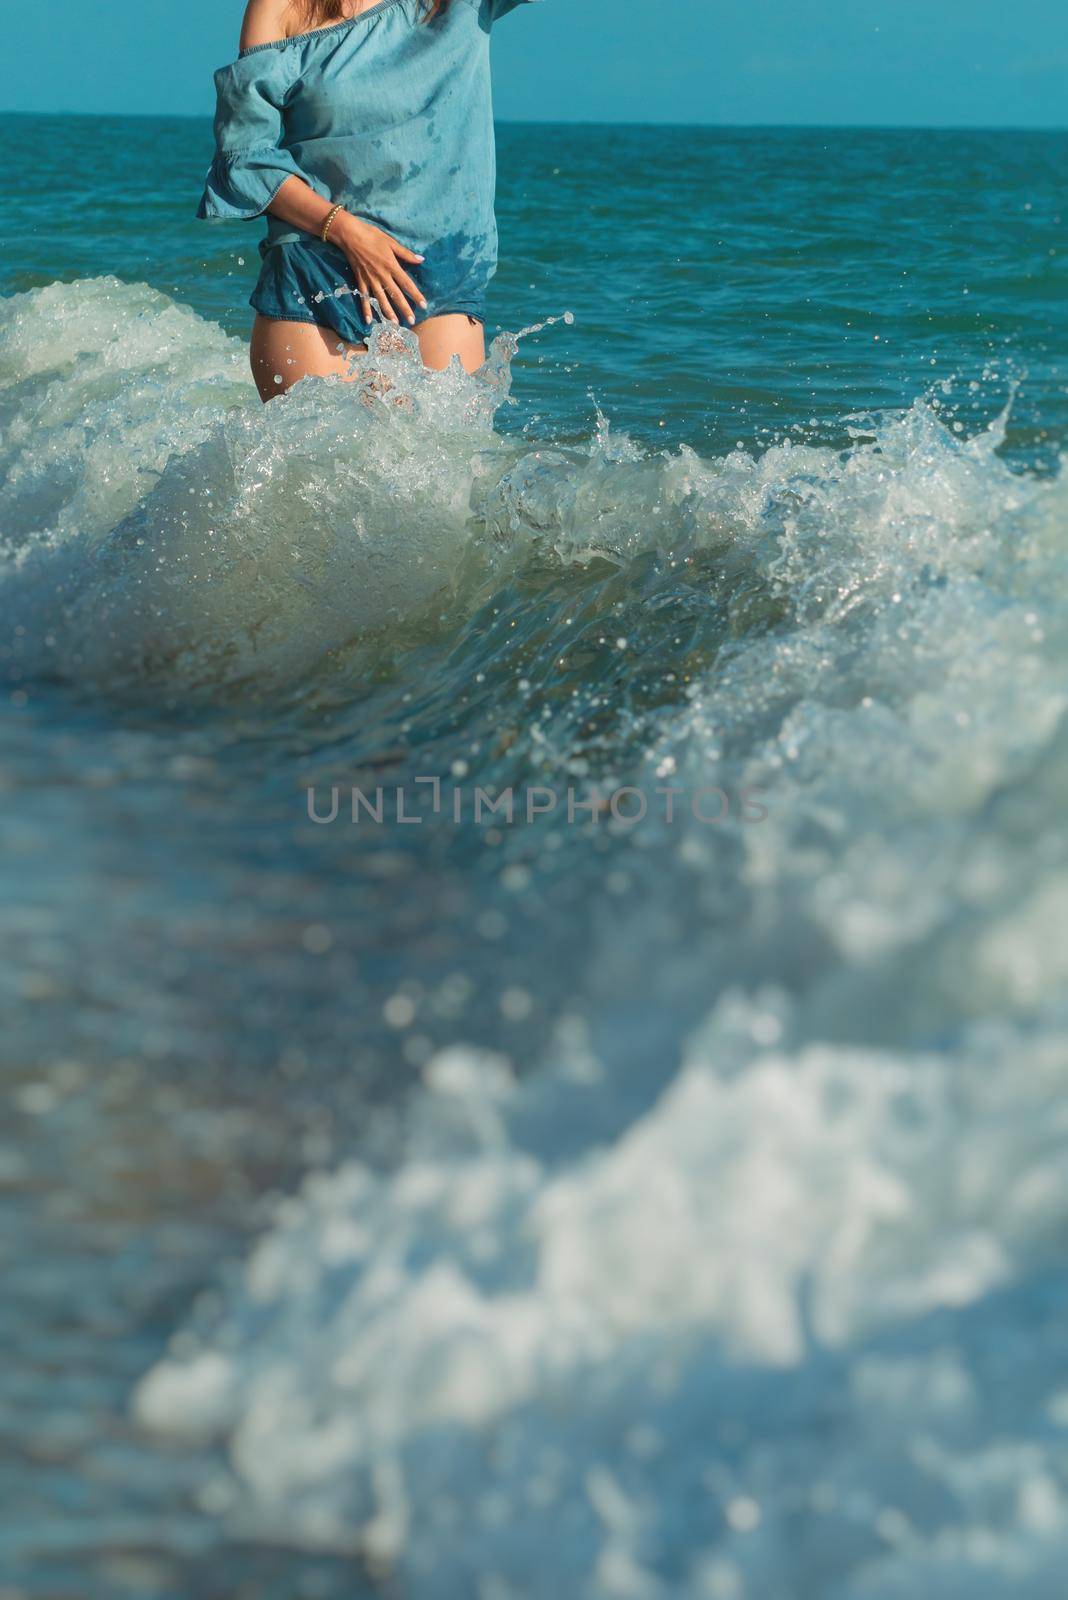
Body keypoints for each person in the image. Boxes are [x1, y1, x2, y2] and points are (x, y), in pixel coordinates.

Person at [199, 0, 535, 400]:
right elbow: (244, 157)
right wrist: (346, 231)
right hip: (317, 274)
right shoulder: (279, 7)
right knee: (316, 463)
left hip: (440, 278)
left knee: (443, 458)